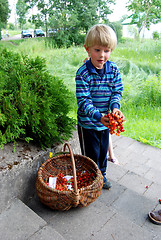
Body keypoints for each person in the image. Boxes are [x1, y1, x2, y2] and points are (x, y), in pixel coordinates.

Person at [76, 24, 124, 189]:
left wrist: (115, 108)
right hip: (88, 124)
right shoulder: (83, 73)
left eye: (106, 50)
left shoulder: (114, 70)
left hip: (105, 123)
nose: (102, 55)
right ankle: (91, 179)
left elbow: (116, 92)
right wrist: (99, 117)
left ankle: (101, 175)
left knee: (103, 152)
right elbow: (84, 101)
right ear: (87, 49)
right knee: (90, 155)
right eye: (97, 50)